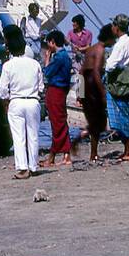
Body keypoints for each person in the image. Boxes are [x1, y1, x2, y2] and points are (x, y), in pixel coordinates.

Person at [0, 33, 44, 179]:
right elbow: (41, 87)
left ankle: (22, 168)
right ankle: (34, 166)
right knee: (33, 135)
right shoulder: (35, 64)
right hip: (32, 100)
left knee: (18, 137)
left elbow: (3, 90)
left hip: (16, 101)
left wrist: (5, 100)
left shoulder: (8, 66)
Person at [104, 14, 129, 161]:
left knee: (123, 117)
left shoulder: (120, 45)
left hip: (122, 83)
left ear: (117, 27)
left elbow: (110, 65)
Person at [42, 30, 74, 166]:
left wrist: (47, 59)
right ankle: (64, 154)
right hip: (62, 90)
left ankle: (54, 155)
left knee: (57, 122)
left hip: (55, 90)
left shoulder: (58, 57)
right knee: (60, 120)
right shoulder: (66, 56)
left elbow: (47, 72)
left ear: (52, 42)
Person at [81, 24, 111, 163]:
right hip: (93, 86)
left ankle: (93, 151)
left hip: (86, 85)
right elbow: (96, 72)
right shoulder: (100, 50)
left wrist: (80, 93)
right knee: (97, 121)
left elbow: (81, 72)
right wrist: (103, 93)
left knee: (94, 120)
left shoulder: (90, 49)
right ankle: (93, 153)